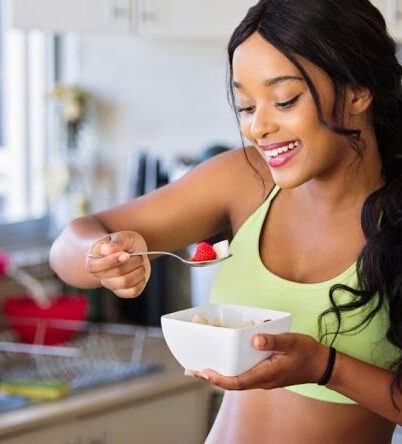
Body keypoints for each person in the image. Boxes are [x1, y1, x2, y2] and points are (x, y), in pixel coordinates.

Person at [49, 0, 402, 442]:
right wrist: (100, 255)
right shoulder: (245, 179)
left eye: (284, 100)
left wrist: (323, 367)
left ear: (357, 93)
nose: (258, 128)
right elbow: (69, 245)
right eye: (246, 107)